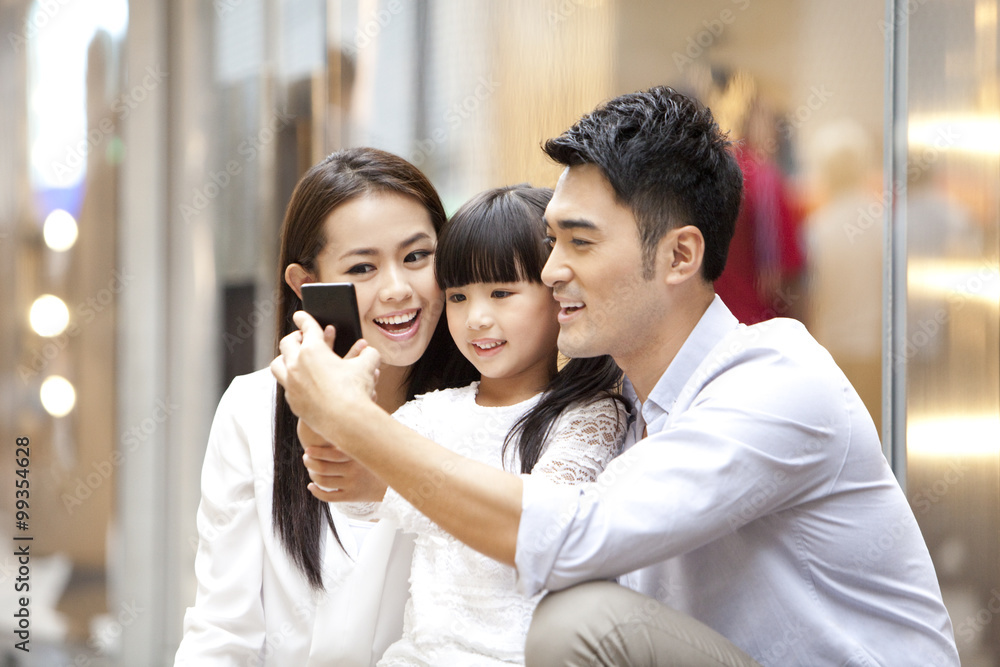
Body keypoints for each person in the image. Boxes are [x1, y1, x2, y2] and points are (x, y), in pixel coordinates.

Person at [271, 88, 959, 666]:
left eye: (581, 242)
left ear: (679, 255)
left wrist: (359, 423)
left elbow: (569, 537)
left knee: (580, 621)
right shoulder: (622, 402)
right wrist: (336, 424)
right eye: (551, 241)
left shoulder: (774, 379)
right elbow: (369, 484)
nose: (549, 271)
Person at [174, 147, 476, 666]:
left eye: (416, 256)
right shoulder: (254, 409)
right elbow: (222, 633)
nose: (398, 289)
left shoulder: (477, 409)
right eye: (363, 266)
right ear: (305, 285)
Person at [337, 184, 628, 666]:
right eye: (458, 296)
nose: (476, 318)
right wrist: (335, 402)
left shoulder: (590, 416)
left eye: (501, 292)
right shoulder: (429, 412)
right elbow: (352, 495)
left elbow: (542, 525)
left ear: (559, 295)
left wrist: (398, 481)